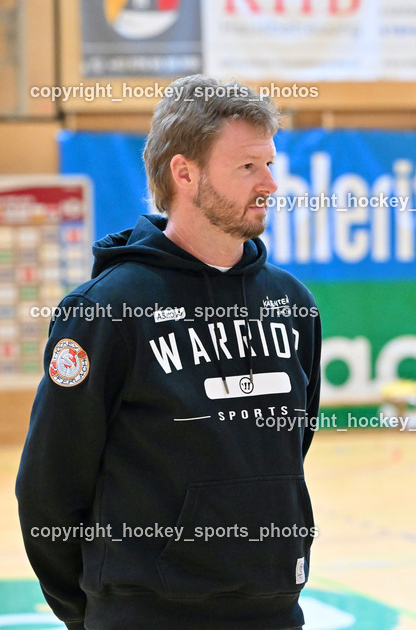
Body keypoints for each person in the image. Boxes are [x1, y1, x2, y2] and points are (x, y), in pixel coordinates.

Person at [16, 75, 322, 629]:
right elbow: (49, 487)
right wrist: (92, 613)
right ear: (185, 172)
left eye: (271, 164)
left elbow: (291, 445)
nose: (270, 184)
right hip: (147, 614)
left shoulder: (292, 302)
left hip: (274, 609)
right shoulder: (107, 310)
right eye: (247, 167)